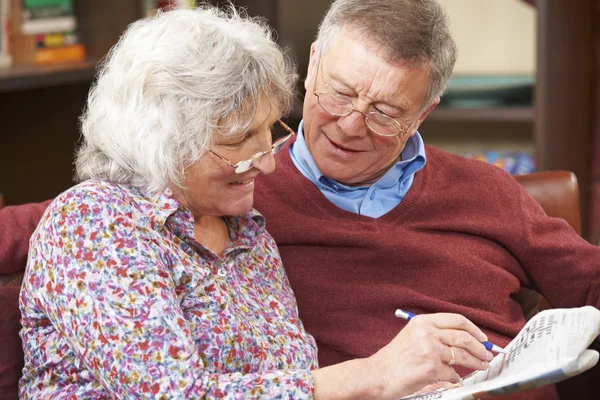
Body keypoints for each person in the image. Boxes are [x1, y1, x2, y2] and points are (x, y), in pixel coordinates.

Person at [12, 5, 494, 400]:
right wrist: (376, 374)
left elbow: (293, 377)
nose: (267, 164)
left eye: (268, 131)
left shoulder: (246, 230)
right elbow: (176, 395)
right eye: (241, 139)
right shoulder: (95, 223)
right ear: (162, 140)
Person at [250, 0, 600, 399]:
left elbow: (591, 283)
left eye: (384, 113)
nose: (349, 126)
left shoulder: (488, 191)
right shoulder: (246, 198)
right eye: (340, 92)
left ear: (422, 114)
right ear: (313, 64)